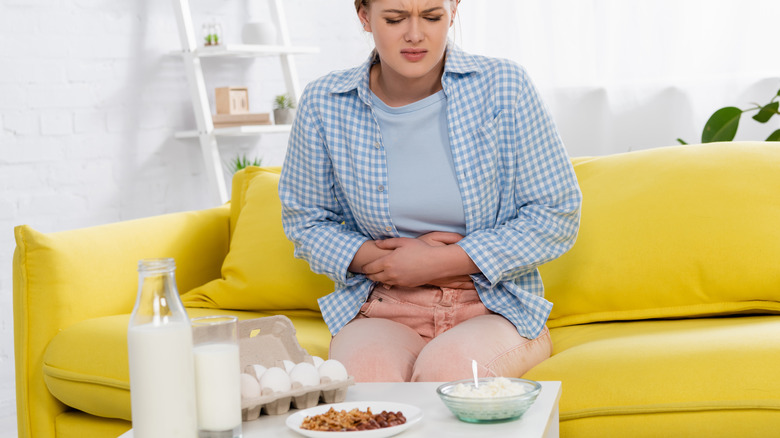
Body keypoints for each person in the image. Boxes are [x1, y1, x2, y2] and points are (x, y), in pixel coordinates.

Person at [278, 0, 582, 382]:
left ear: (453, 11)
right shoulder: (325, 102)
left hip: (494, 306)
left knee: (449, 374)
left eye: (433, 16)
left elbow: (556, 213)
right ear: (364, 16)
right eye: (394, 18)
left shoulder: (504, 85)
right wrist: (380, 260)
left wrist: (445, 261)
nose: (415, 34)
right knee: (366, 384)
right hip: (384, 304)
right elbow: (306, 220)